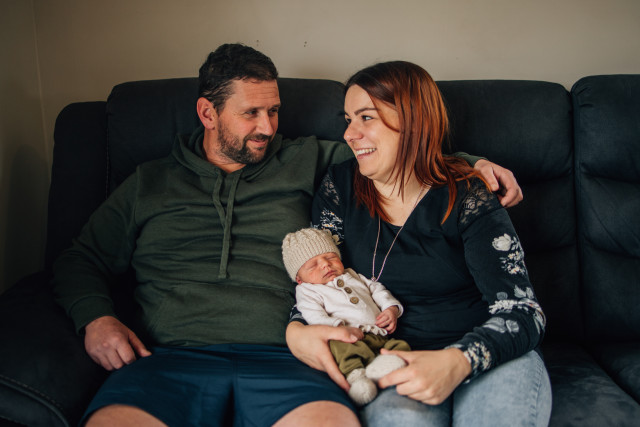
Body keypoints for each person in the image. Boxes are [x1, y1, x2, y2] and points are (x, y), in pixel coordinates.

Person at [52, 43, 523, 427]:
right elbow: (80, 259)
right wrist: (97, 318)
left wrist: (473, 164)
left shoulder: (306, 159)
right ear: (207, 113)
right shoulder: (148, 183)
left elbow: (395, 151)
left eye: (274, 111)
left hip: (289, 359)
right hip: (169, 359)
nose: (267, 128)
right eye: (251, 113)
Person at [286, 61, 552, 427]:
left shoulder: (468, 194)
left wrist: (459, 360)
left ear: (413, 122)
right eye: (348, 119)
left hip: (489, 353)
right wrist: (298, 328)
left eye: (366, 117)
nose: (349, 134)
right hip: (393, 357)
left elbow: (524, 311)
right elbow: (316, 276)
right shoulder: (339, 187)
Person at [282, 227, 411, 406]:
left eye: (330, 257)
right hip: (344, 338)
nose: (325, 264)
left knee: (398, 345)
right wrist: (336, 327)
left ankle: (382, 366)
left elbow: (377, 289)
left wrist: (391, 308)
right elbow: (312, 314)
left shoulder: (352, 275)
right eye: (313, 265)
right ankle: (356, 377)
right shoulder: (307, 290)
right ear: (299, 279)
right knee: (343, 352)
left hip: (377, 332)